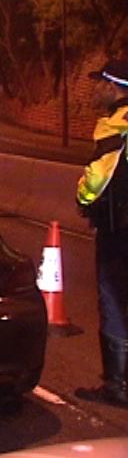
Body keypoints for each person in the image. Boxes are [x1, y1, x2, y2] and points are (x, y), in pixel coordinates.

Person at [75, 57, 128, 409]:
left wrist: (81, 197)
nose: (94, 89)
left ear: (113, 87)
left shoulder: (116, 125)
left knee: (113, 299)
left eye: (99, 83)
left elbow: (96, 181)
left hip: (119, 229)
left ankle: (118, 385)